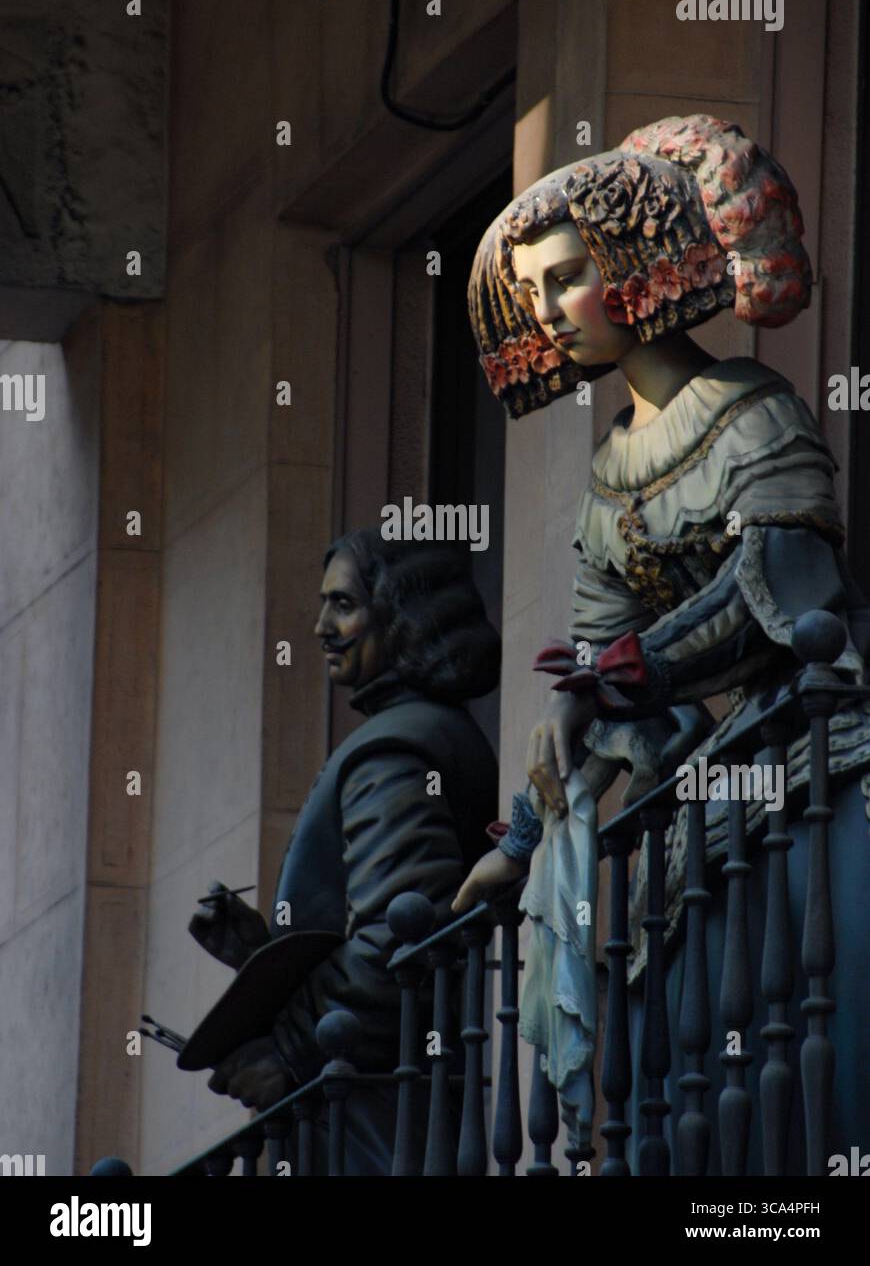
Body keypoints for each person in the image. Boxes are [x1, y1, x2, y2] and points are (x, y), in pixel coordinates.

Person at [454, 114, 870, 1171]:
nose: (551, 311)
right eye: (537, 292)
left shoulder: (755, 412)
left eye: (569, 278)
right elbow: (597, 658)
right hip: (696, 826)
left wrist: (628, 673)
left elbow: (776, 584)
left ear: (635, 265)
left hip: (806, 771)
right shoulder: (606, 476)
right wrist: (526, 820)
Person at [191, 528, 500, 1174]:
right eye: (323, 604)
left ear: (401, 614)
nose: (319, 626)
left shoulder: (392, 750)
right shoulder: (422, 735)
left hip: (375, 1129)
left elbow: (401, 936)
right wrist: (260, 954)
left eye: (344, 605)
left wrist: (286, 1053)